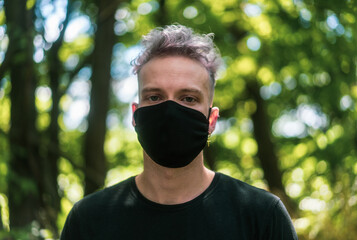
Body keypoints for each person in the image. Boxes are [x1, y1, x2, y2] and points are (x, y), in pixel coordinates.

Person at [60, 24, 298, 240]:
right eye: (155, 97)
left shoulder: (262, 216)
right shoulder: (89, 220)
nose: (170, 111)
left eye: (188, 98)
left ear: (211, 119)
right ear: (135, 115)